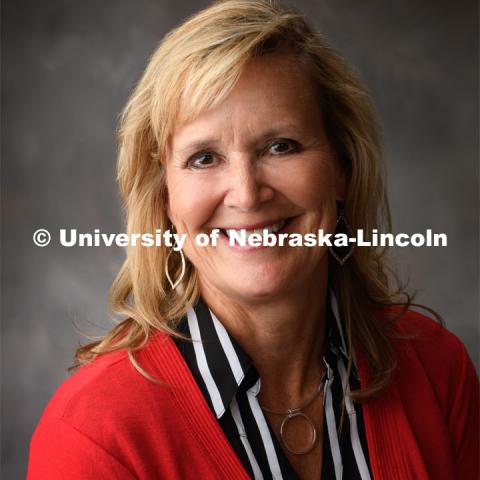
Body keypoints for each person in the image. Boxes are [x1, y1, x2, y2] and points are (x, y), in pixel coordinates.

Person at [27, 1, 478, 479]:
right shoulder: (95, 436)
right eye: (204, 158)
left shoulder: (436, 369)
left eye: (280, 146)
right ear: (164, 198)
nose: (246, 193)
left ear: (342, 170)